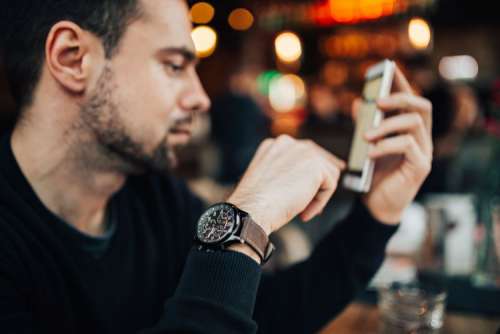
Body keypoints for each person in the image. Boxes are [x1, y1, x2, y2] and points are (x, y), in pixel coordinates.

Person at [0, 0, 432, 333]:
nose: (201, 97)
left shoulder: (153, 198)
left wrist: (377, 216)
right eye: (174, 65)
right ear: (73, 58)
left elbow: (259, 318)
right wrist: (243, 224)